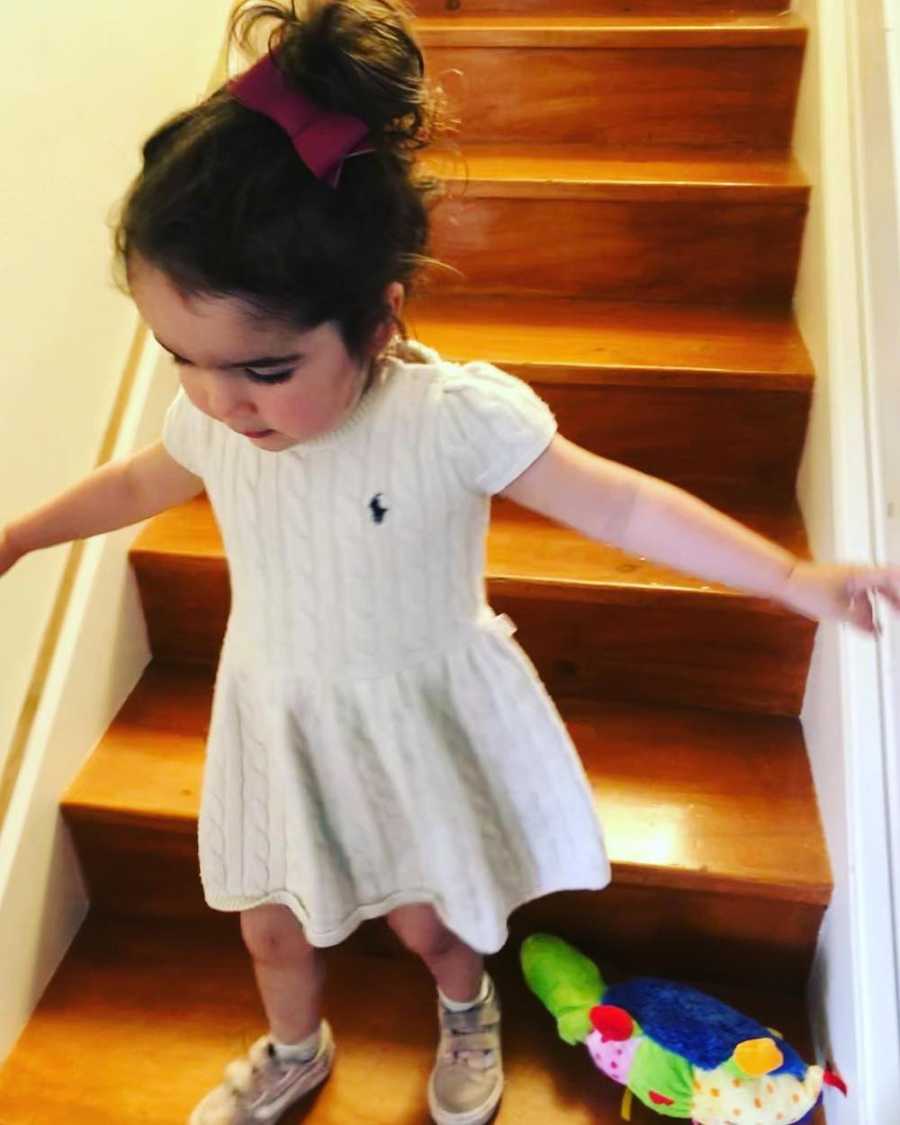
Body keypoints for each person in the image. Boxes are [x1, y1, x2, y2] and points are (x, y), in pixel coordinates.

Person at [2, 1, 898, 1122]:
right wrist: (23, 532)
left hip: (415, 716)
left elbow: (620, 503)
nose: (220, 402)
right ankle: (295, 1045)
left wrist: (791, 577)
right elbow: (140, 482)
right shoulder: (218, 422)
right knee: (268, 917)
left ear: (375, 324)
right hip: (279, 716)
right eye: (181, 359)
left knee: (432, 917)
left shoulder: (451, 418)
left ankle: (468, 1007)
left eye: (265, 369)